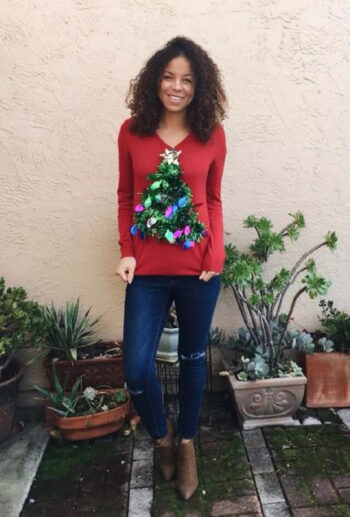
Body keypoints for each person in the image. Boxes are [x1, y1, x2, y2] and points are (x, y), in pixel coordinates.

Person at [115, 36, 227, 500]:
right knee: (138, 369)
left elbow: (215, 199)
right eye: (168, 77)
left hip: (199, 269)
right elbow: (125, 196)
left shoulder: (212, 134)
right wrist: (127, 249)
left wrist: (215, 253)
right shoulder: (131, 131)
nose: (176, 87)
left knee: (193, 359)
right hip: (147, 271)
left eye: (186, 79)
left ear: (198, 87)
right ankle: (160, 436)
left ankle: (186, 446)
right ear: (154, 80)